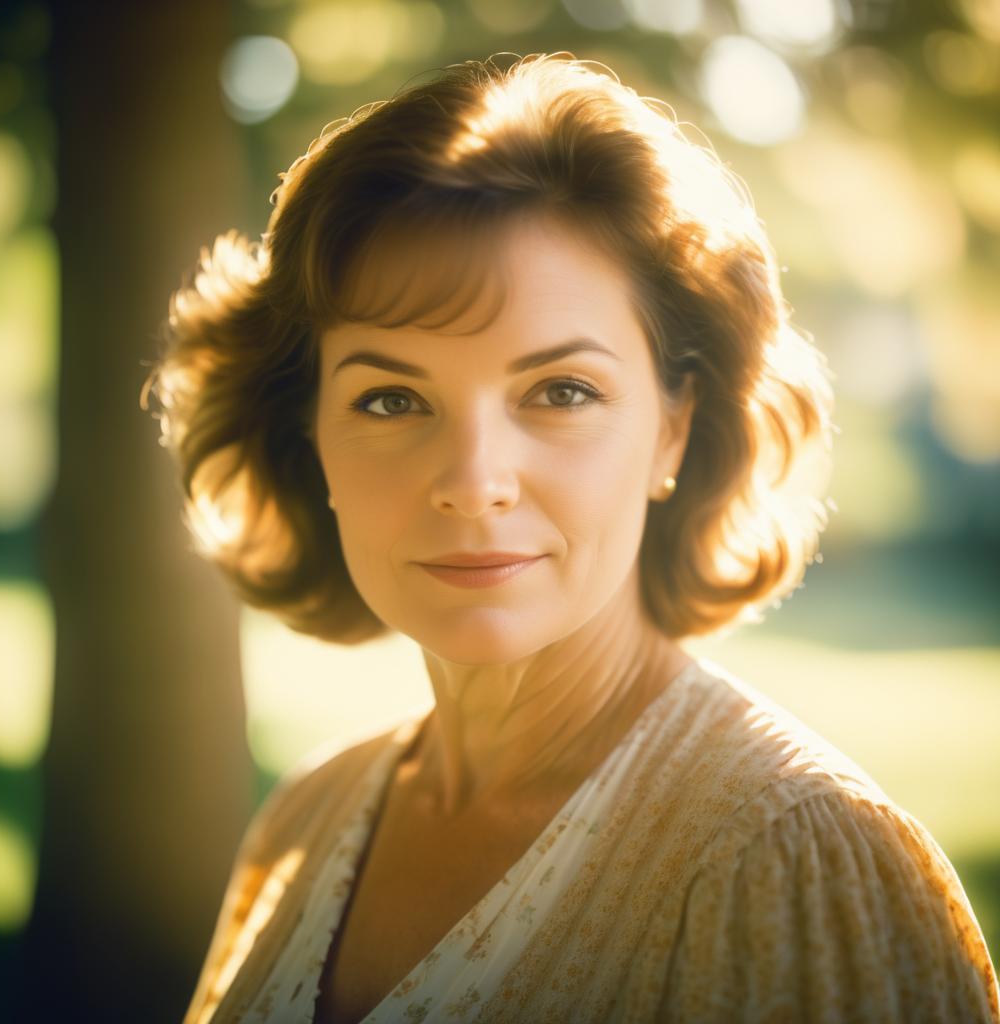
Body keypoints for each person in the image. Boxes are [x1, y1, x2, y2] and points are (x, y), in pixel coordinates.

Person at [143, 52, 999, 1023]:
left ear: (672, 426)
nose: (473, 483)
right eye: (391, 398)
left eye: (560, 391)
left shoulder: (792, 860)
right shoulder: (307, 817)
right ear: (311, 438)